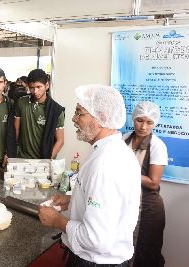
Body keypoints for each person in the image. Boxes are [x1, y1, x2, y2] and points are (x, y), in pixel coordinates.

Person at [38, 84, 141, 266]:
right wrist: (72, 200)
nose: (73, 119)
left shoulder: (104, 164)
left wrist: (57, 221)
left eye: (79, 113)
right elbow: (109, 205)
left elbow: (96, 239)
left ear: (101, 117)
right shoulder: (117, 151)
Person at [123, 101, 168, 267]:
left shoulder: (157, 146)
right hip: (127, 204)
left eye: (149, 122)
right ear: (133, 119)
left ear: (154, 123)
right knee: (126, 250)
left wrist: (125, 173)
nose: (143, 126)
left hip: (148, 208)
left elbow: (153, 183)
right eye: (139, 120)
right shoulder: (125, 139)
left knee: (145, 253)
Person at [14, 69, 65, 159]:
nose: (35, 91)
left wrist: (47, 159)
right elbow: (16, 131)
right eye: (32, 87)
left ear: (47, 85)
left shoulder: (56, 110)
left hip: (44, 159)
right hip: (22, 158)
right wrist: (11, 152)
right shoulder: (21, 102)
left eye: (39, 87)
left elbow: (60, 140)